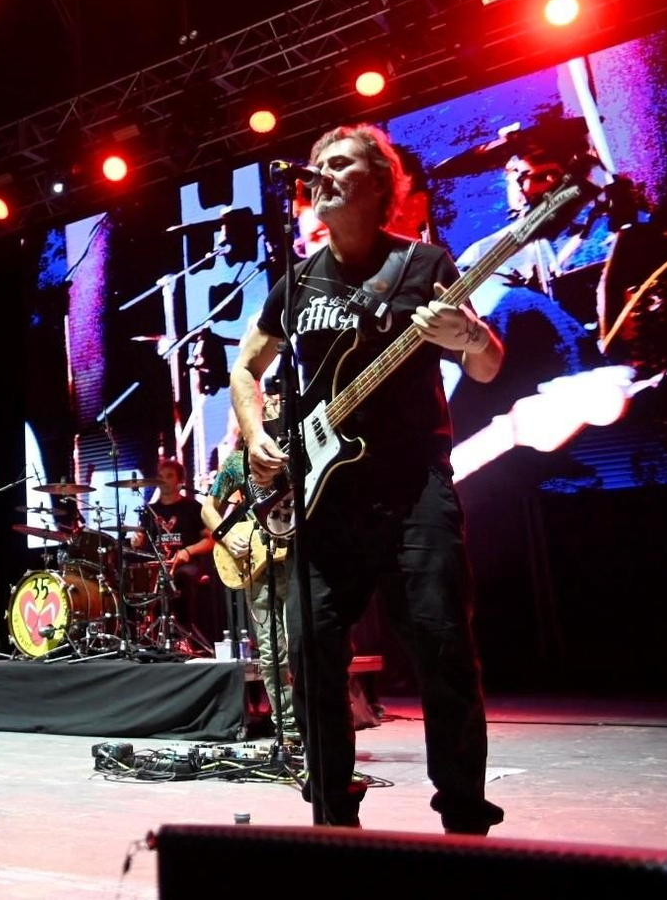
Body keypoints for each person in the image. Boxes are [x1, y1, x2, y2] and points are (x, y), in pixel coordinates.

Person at [229, 123, 506, 834]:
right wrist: (259, 432)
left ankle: (465, 815)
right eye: (318, 165)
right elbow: (247, 367)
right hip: (328, 503)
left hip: (415, 490)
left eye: (342, 163)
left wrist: (470, 338)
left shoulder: (423, 265)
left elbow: (487, 363)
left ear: (380, 184)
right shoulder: (297, 282)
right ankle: (332, 811)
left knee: (444, 644)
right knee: (312, 650)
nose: (322, 172)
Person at [205, 392, 295, 740]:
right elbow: (208, 509)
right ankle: (288, 730)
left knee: (303, 643)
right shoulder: (236, 463)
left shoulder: (295, 454)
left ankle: (316, 723)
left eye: (274, 406)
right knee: (273, 651)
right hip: (260, 563)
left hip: (298, 556)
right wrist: (227, 538)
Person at [137, 457, 220, 649]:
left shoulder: (192, 508)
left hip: (186, 565)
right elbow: (141, 542)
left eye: (169, 476)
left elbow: (212, 539)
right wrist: (137, 541)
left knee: (180, 577)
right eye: (160, 476)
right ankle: (152, 638)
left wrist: (188, 551)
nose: (163, 480)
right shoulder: (151, 511)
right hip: (159, 565)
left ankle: (183, 637)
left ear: (180, 480)